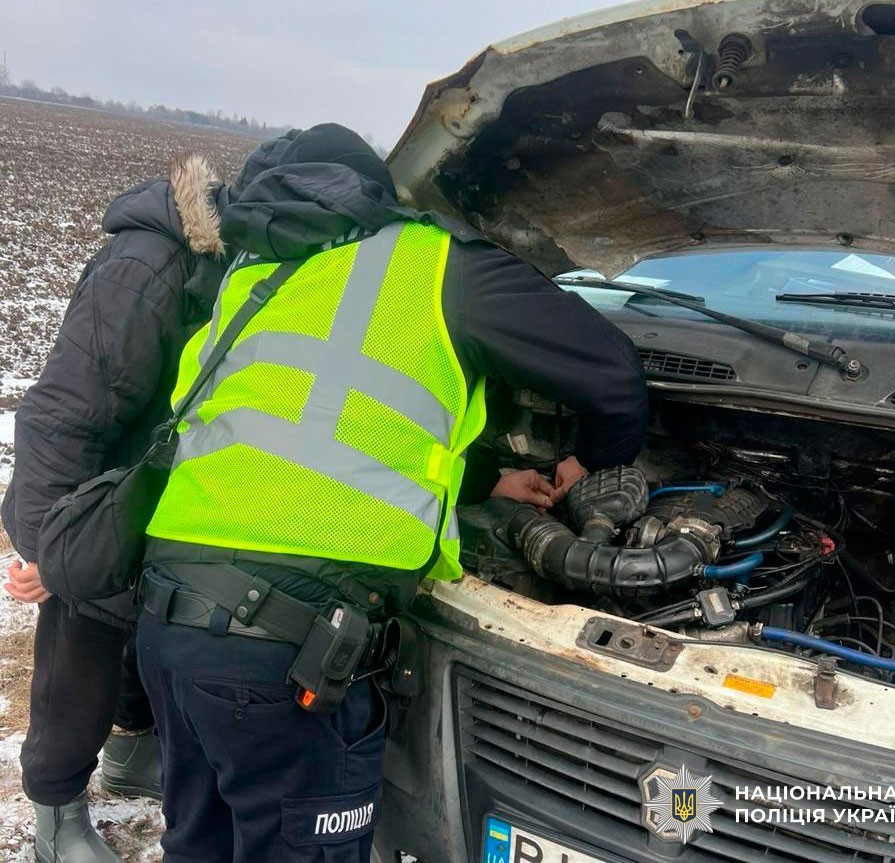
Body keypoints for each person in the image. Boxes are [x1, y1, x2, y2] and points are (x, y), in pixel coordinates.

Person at [135, 123, 648, 863]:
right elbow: (615, 377)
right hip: (282, 649)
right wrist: (587, 463)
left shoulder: (254, 281)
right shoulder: (437, 264)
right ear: (378, 195)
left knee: (201, 845)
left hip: (170, 625)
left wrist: (487, 479)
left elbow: (327, 429)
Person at [1, 134, 296, 863]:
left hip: (167, 488)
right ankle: (56, 809)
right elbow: (64, 412)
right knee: (85, 633)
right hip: (99, 495)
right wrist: (46, 544)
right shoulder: (148, 269)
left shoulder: (258, 269)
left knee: (149, 619)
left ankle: (131, 754)